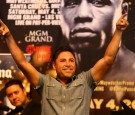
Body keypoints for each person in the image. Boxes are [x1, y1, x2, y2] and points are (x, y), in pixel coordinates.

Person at [0, 14, 128, 115]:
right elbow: (22, 63)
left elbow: (108, 59)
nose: (68, 64)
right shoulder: (44, 83)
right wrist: (9, 37)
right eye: (63, 61)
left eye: (71, 61)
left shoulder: (86, 81)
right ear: (54, 66)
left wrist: (118, 31)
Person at [60, 0, 135, 113]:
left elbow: (108, 59)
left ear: (123, 11)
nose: (82, 14)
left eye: (98, 2)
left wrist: (118, 31)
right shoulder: (51, 81)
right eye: (71, 3)